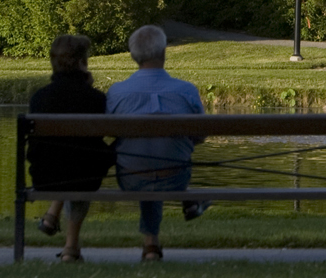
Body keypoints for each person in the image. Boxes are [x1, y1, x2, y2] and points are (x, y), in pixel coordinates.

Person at [107, 24, 207, 261]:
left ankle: (151, 244)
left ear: (133, 56)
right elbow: (201, 136)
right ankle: (155, 239)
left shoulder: (117, 92)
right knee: (161, 157)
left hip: (131, 177)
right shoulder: (185, 90)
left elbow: (109, 133)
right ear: (163, 53)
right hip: (176, 178)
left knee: (144, 158)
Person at [27, 33, 113, 263]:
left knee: (69, 161)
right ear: (82, 62)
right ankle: (70, 247)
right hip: (85, 176)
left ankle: (53, 219)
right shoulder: (95, 99)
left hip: (44, 177)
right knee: (82, 161)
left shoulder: (39, 98)